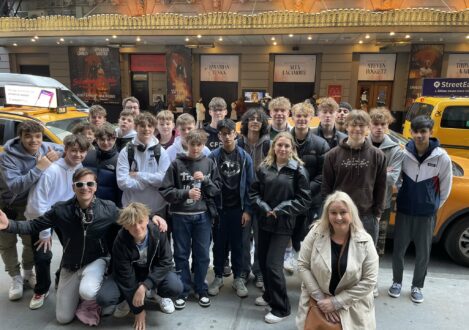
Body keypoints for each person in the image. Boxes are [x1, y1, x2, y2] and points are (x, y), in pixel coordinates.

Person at [0, 168, 120, 325]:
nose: (85, 187)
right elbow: (34, 225)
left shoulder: (108, 208)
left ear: (96, 186)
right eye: (80, 184)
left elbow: (131, 217)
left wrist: (154, 218)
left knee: (88, 291)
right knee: (63, 318)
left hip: (96, 260)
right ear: (73, 187)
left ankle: (91, 298)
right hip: (70, 265)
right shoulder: (61, 210)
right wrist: (9, 225)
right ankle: (79, 293)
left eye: (90, 183)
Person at [389, 115, 452, 303]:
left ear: (430, 133)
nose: (419, 135)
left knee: (423, 253)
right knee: (398, 250)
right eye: (415, 131)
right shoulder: (404, 153)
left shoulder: (441, 157)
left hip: (426, 214)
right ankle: (396, 282)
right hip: (404, 211)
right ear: (410, 132)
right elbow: (396, 179)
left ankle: (417, 286)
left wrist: (432, 205)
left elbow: (445, 188)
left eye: (423, 131)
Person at [249, 132, 311, 324]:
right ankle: (269, 296)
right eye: (279, 145)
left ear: (292, 149)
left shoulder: (298, 170)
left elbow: (304, 200)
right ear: (273, 147)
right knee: (262, 261)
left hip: (284, 225)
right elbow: (253, 193)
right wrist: (264, 207)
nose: (283, 149)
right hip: (264, 222)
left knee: (273, 265)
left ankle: (281, 308)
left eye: (287, 146)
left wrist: (283, 209)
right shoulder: (264, 168)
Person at [296, 191, 379, 329]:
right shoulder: (315, 233)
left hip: (352, 303)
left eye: (343, 212)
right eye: (333, 213)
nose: (338, 217)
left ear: (351, 214)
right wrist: (321, 299)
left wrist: (336, 302)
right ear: (327, 215)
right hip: (318, 301)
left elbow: (370, 280)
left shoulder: (365, 240)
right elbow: (302, 265)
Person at [24, 134, 89, 309]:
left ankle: (62, 278)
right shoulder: (52, 170)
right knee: (43, 255)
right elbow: (39, 202)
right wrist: (45, 232)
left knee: (71, 250)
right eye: (74, 150)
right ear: (65, 150)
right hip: (43, 214)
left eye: (82, 151)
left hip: (65, 214)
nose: (78, 155)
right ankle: (42, 289)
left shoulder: (79, 168)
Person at [0, 121, 63, 301]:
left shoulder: (45, 147)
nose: (34, 141)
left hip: (30, 205)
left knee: (30, 242)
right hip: (7, 204)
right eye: (28, 136)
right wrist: (40, 167)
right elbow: (15, 187)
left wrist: (57, 155)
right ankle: (15, 277)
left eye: (38, 136)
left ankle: (28, 273)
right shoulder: (7, 157)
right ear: (20, 137)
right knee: (7, 243)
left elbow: (67, 147)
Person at [160, 129, 221, 310]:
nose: (195, 148)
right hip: (180, 217)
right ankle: (183, 289)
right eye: (192, 144)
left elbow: (217, 189)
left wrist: (206, 181)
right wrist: (186, 192)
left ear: (204, 145)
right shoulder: (176, 164)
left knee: (202, 255)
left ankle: (201, 289)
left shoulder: (209, 162)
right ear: (186, 144)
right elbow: (165, 191)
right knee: (181, 254)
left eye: (199, 145)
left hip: (202, 216)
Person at [96, 202, 183, 330]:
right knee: (104, 298)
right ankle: (127, 299)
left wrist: (145, 286)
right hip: (131, 275)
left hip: (152, 272)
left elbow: (166, 262)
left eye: (140, 221)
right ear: (125, 226)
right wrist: (138, 310)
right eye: (131, 224)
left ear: (147, 219)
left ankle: (155, 294)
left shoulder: (158, 232)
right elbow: (125, 276)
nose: (137, 227)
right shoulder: (120, 240)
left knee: (175, 287)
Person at [322, 110, 387, 247]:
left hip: (367, 215)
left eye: (362, 125)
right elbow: (327, 187)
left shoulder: (378, 155)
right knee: (338, 257)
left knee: (366, 260)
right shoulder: (332, 155)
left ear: (368, 128)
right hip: (339, 215)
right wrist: (329, 213)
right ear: (346, 126)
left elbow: (381, 187)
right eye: (353, 125)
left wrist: (377, 214)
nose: (357, 129)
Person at [207, 119, 254, 298]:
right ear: (219, 135)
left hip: (238, 209)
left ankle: (238, 278)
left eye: (230, 133)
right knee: (219, 244)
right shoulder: (212, 156)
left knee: (239, 245)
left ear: (236, 134)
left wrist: (247, 210)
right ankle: (218, 276)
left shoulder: (244, 157)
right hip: (219, 209)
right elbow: (208, 184)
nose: (227, 136)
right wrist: (211, 209)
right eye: (223, 133)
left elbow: (251, 186)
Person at [287, 102, 329, 269]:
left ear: (311, 119)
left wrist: (305, 190)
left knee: (312, 235)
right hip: (289, 197)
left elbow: (324, 174)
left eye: (306, 116)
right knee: (289, 232)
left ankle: (309, 267)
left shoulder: (320, 144)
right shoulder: (284, 141)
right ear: (292, 118)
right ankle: (288, 255)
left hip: (312, 199)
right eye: (298, 115)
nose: (302, 119)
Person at [237, 108, 271, 288]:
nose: (255, 121)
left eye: (259, 119)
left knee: (260, 237)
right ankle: (243, 270)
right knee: (243, 237)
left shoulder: (268, 144)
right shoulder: (239, 143)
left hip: (262, 197)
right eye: (251, 118)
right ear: (246, 122)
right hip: (242, 198)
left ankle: (258, 271)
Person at [117, 112, 171, 214]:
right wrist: (145, 184)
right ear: (136, 127)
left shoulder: (161, 152)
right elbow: (122, 182)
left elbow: (164, 180)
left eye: (150, 126)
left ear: (154, 128)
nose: (146, 129)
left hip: (157, 209)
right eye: (142, 126)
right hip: (131, 209)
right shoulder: (126, 151)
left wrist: (139, 175)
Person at [368, 108, 404, 256]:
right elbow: (354, 174)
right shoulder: (361, 144)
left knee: (376, 248)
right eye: (376, 124)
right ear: (369, 124)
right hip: (359, 201)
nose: (379, 128)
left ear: (388, 125)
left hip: (383, 204)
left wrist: (368, 172)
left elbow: (392, 179)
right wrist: (384, 171)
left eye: (383, 124)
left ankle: (372, 278)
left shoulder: (396, 150)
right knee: (356, 244)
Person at [83, 124, 122, 207]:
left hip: (109, 206)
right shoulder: (87, 156)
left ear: (115, 139)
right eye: (102, 139)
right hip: (87, 203)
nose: (106, 143)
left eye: (109, 139)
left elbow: (121, 189)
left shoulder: (120, 159)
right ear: (96, 140)